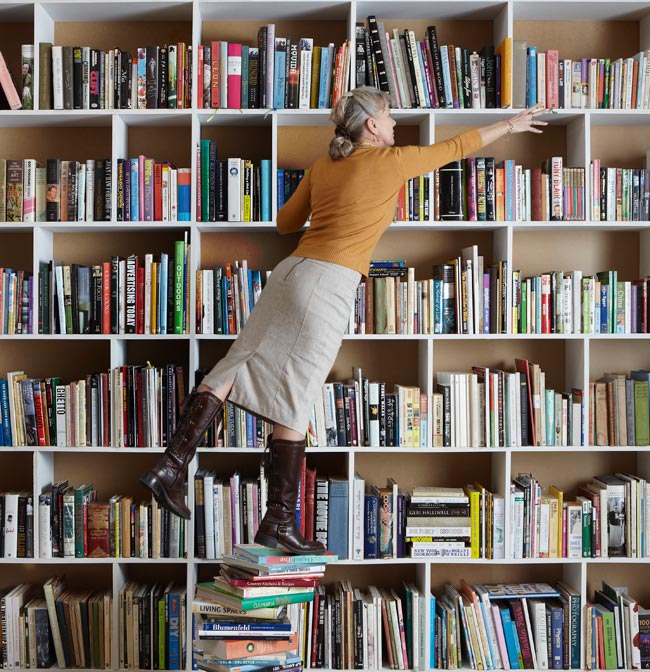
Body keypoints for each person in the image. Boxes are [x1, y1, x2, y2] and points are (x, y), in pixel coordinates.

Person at [140, 87, 547, 554]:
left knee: (235, 366)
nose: (394, 121)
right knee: (297, 392)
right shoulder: (390, 162)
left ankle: (170, 465)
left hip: (289, 274)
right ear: (372, 125)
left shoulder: (322, 165)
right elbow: (456, 148)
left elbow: (285, 223)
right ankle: (277, 523)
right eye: (389, 115)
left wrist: (327, 201)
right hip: (328, 285)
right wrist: (510, 125)